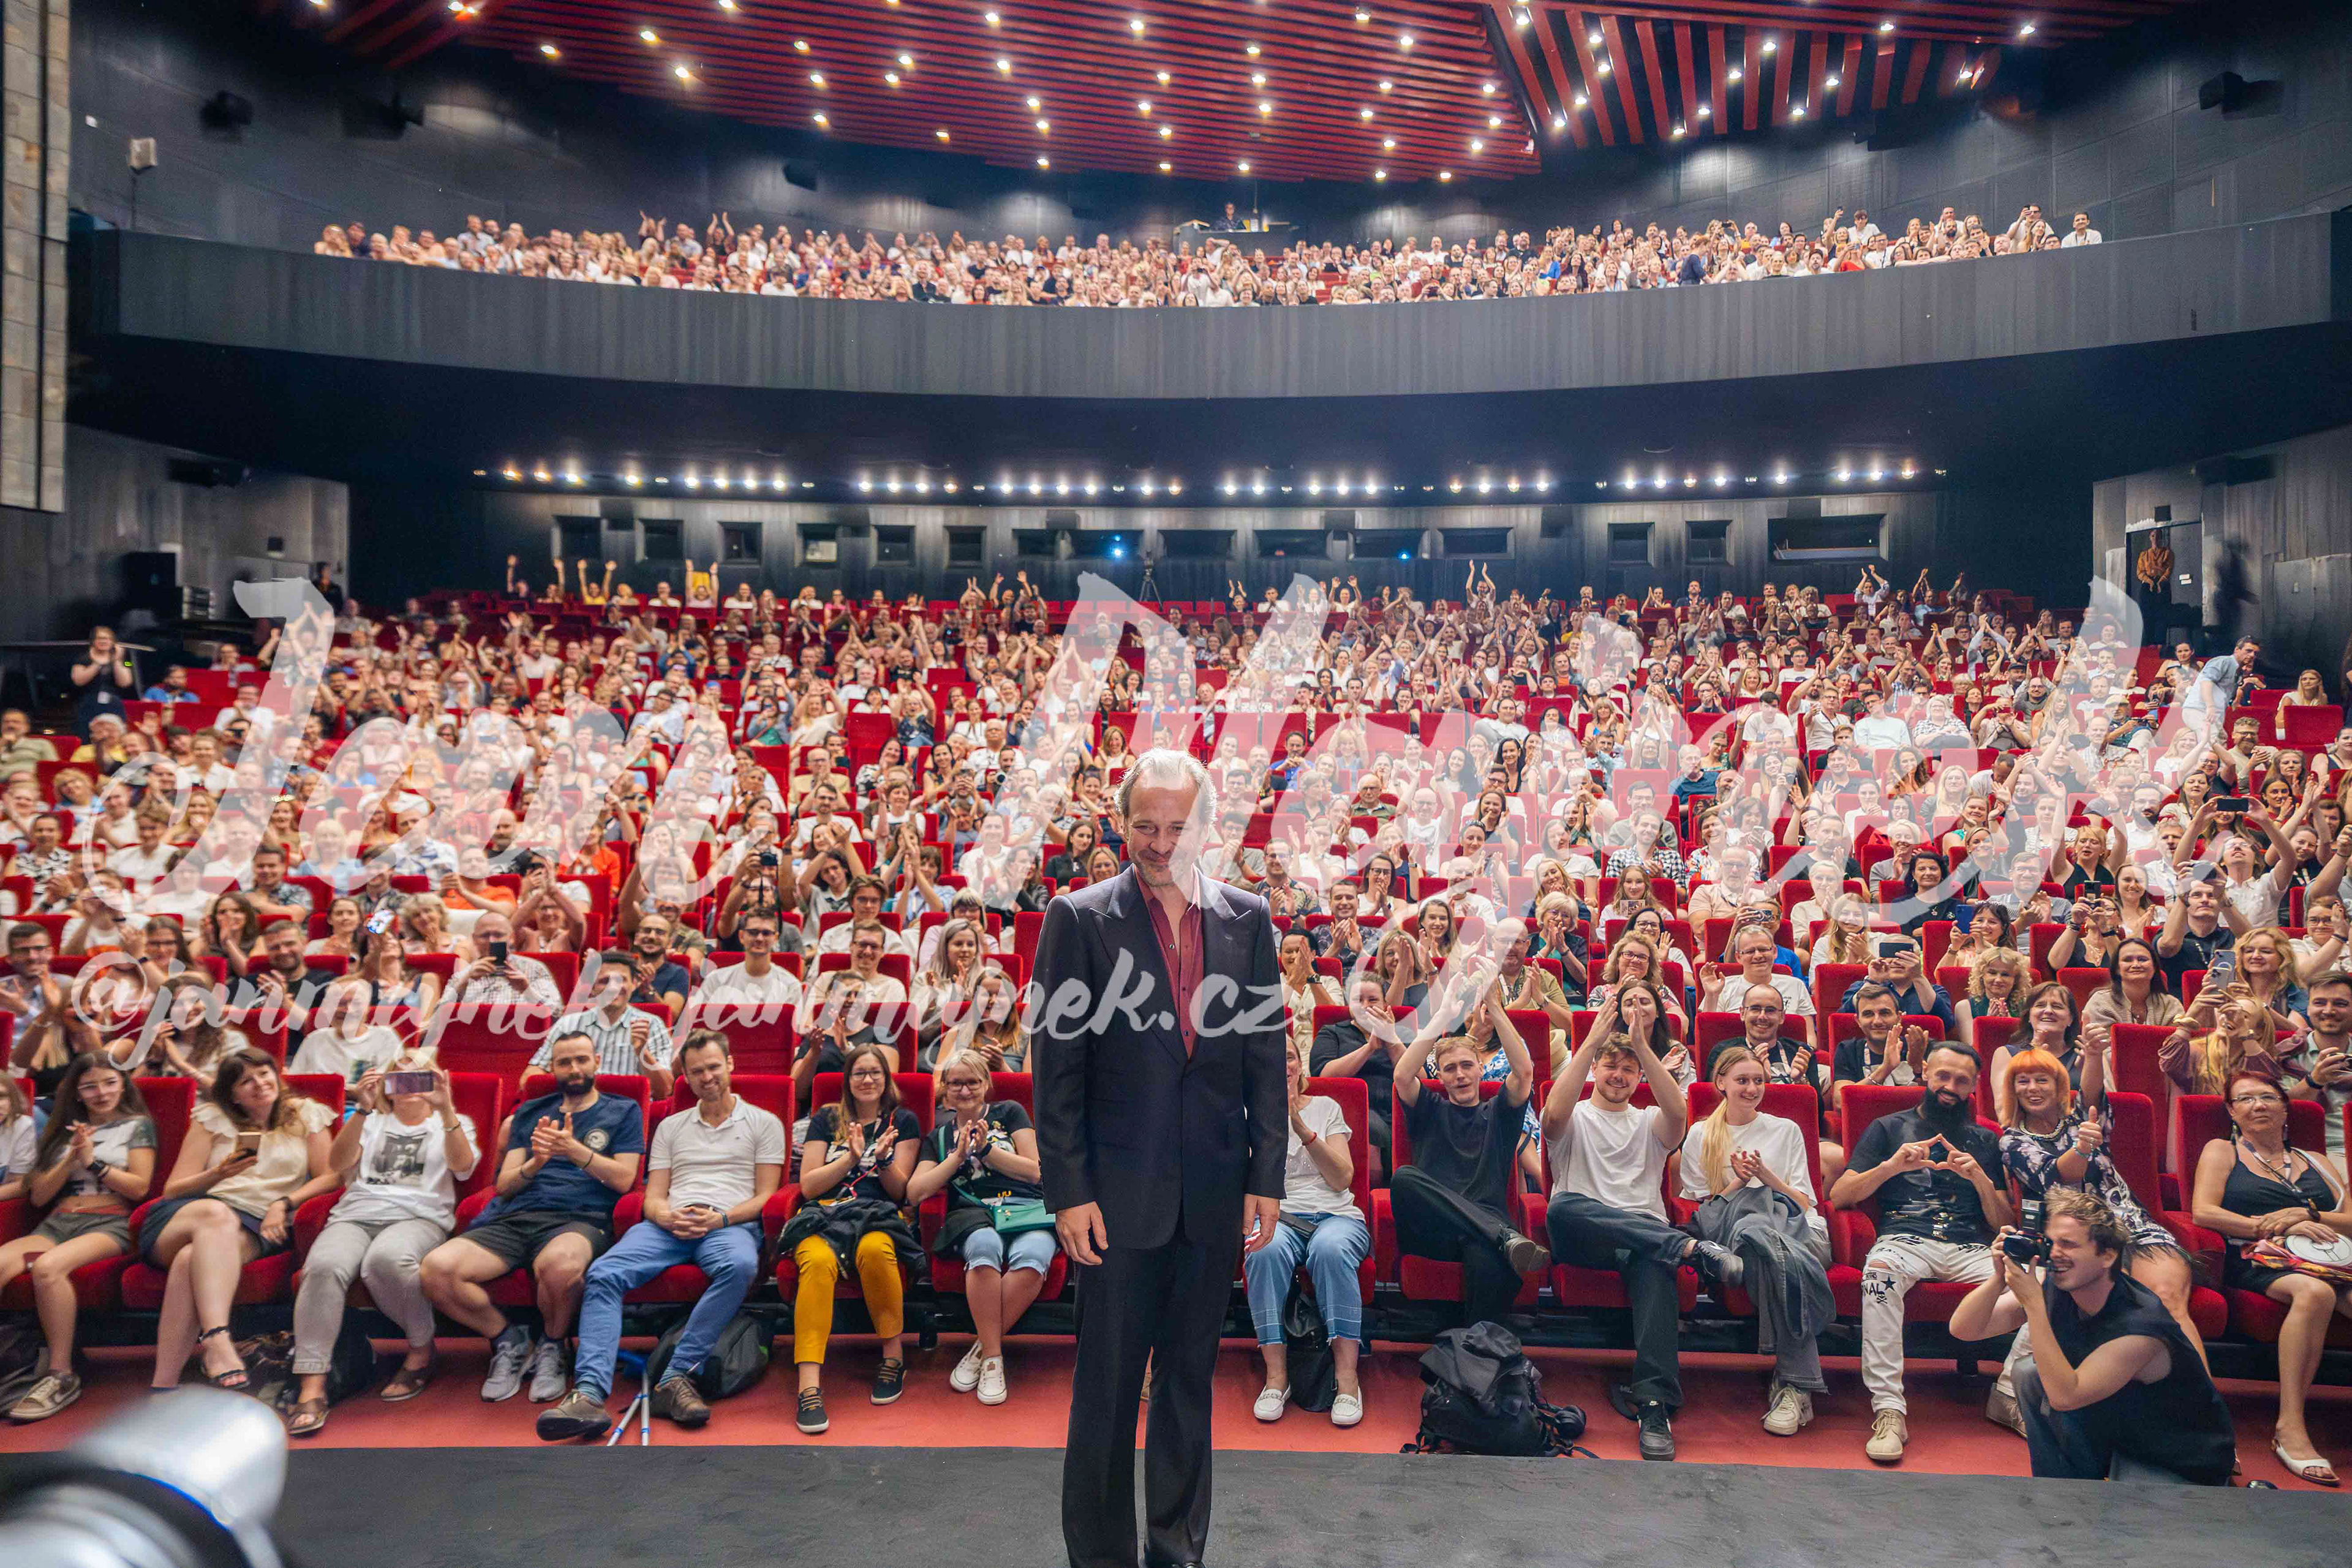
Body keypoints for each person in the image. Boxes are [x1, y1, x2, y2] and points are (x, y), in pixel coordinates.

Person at [1031, 749, 1286, 1568]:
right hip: (1113, 1203)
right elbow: (1056, 1072)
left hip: (1212, 1197)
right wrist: (1069, 1190)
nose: (1162, 843)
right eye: (1146, 826)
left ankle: (1177, 1551)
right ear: (1121, 824)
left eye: (1179, 827)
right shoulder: (1077, 918)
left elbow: (1264, 1060)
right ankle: (1100, 1557)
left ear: (1206, 826)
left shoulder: (1248, 919)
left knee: (1187, 1386)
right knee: (1106, 1394)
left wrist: (1266, 1176)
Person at [540, 1030, 784, 1439]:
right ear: (685, 1076)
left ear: (730, 1065)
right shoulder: (671, 1126)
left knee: (741, 1266)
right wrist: (665, 1217)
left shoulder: (764, 1122)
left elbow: (766, 1196)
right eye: (697, 1071)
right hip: (669, 1225)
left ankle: (675, 1376)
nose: (707, 1077)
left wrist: (720, 1219)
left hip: (727, 1224)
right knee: (603, 1273)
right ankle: (588, 1393)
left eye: (713, 1067)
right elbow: (652, 1196)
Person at [1544, 981, 1736, 1460]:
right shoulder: (1576, 1116)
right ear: (1594, 1069)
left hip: (1641, 1244)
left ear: (1640, 1077)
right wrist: (1593, 1042)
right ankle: (1687, 1248)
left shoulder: (1650, 1120)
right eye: (1611, 1066)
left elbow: (1678, 1112)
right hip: (1582, 1236)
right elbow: (1550, 1117)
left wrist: (1643, 1049)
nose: (1619, 1075)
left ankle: (1653, 1406)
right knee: (1562, 1206)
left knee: (1655, 1263)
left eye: (1628, 1069)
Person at [418, 1031, 646, 1408]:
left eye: (581, 1060)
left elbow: (624, 1180)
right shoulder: (531, 1112)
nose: (574, 1069)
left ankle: (553, 1345)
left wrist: (574, 1151)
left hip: (581, 1217)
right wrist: (536, 1163)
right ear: (552, 1068)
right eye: (564, 1062)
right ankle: (508, 1340)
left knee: (559, 1267)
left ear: (597, 1062)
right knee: (435, 1271)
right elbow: (505, 1185)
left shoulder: (623, 1110)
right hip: (515, 1216)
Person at [1948, 1191, 2233, 1483]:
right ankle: (2057, 1487)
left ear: (2107, 1255)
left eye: (2069, 1244)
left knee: (2128, 1513)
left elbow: (2065, 1397)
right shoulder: (2059, 1286)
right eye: (2051, 1243)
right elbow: (1965, 1330)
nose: (2054, 1254)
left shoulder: (2141, 1327)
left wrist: (2033, 1305)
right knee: (2029, 1374)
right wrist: (1998, 1279)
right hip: (2121, 1429)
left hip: (2176, 1457)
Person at [1831, 1042, 2011, 1463]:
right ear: (1926, 1071)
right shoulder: (1887, 1127)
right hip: (1905, 1238)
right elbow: (1840, 1196)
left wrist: (1981, 1180)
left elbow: (2004, 1220)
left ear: (1974, 1086)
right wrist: (1891, 1167)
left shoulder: (1987, 1139)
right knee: (1878, 1275)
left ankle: (2009, 1393)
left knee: (2041, 1282)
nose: (1950, 1087)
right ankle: (1889, 1409)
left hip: (1970, 1245)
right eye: (1943, 1076)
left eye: (1962, 1081)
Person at [284, 1058, 480, 1436]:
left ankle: (421, 1350)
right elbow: (338, 1164)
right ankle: (312, 1384)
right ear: (388, 1084)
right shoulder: (371, 1120)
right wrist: (362, 1108)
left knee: (386, 1260)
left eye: (418, 1075)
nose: (409, 1084)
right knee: (322, 1268)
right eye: (399, 1076)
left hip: (419, 1217)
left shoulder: (453, 1120)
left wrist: (446, 1108)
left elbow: (463, 1168)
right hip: (356, 1215)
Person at [2189, 1069, 2352, 1484]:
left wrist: (2307, 1215)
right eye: (2245, 1099)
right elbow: (2204, 1213)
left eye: (2267, 1097)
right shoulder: (2222, 1151)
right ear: (2232, 1112)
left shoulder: (2317, 1161)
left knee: (2331, 1288)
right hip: (2259, 1258)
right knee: (2315, 1293)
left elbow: (2350, 1219)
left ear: (2285, 1108)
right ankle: (2290, 1427)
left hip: (2331, 1259)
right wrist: (2276, 1226)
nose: (2257, 1105)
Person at [143, 1051, 337, 1393]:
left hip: (256, 1221)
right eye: (246, 1081)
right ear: (232, 1094)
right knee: (216, 1215)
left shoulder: (306, 1114)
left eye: (264, 1074)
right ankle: (217, 1337)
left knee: (190, 1260)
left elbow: (330, 1176)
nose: (259, 1084)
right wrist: (218, 1173)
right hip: (193, 1212)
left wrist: (284, 1203)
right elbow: (173, 1189)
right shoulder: (212, 1118)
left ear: (277, 1076)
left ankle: (163, 1383)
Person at [1679, 1045, 1833, 1436]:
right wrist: (1739, 1182)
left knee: (1762, 1243)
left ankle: (1793, 1381)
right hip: (1738, 1235)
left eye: (1758, 1081)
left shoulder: (1786, 1129)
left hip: (1798, 1231)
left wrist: (1766, 1177)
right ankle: (1794, 1386)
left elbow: (1804, 1203)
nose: (1752, 1089)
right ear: (1721, 1083)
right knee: (1753, 1228)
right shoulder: (1701, 1133)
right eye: (1742, 1081)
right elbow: (1707, 1211)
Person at [0, 1057, 156, 1422]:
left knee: (47, 1269)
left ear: (123, 1085)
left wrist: (93, 1163)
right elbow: (39, 1197)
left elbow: (139, 1188)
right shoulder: (61, 1131)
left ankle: (60, 1374)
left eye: (109, 1083)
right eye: (90, 1086)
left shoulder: (138, 1126)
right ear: (77, 1093)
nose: (101, 1092)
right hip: (57, 1223)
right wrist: (71, 1160)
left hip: (110, 1223)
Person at [778, 1041, 922, 1434]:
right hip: (825, 1214)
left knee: (875, 1250)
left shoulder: (902, 1121)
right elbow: (809, 1186)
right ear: (848, 1080)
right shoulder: (827, 1118)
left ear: (886, 1078)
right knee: (816, 1261)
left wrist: (883, 1160)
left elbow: (901, 1193)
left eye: (875, 1072)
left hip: (878, 1214)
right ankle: (809, 1385)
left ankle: (893, 1357)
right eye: (859, 1073)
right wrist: (850, 1158)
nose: (868, 1079)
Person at [1387, 977, 1550, 1322]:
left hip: (1482, 1235)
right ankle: (1501, 1235)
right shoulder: (1429, 1107)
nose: (1459, 1075)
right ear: (1441, 1077)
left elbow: (1524, 1072)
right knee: (1403, 1178)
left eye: (1466, 1065)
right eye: (1450, 1069)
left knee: (1485, 1251)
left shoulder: (1499, 1113)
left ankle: (1473, 1345)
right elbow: (1402, 1076)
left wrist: (1498, 1011)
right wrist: (1442, 1015)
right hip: (1434, 1229)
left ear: (1481, 1069)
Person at [907, 1050, 1058, 1407]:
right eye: (956, 1083)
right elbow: (914, 1192)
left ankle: (983, 1348)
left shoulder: (1010, 1113)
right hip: (974, 1213)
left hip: (1026, 1208)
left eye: (972, 1082)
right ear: (945, 1089)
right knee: (984, 1246)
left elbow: (1036, 1171)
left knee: (1035, 1254)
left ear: (986, 1084)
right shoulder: (939, 1136)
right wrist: (957, 1158)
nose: (964, 1090)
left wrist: (988, 1150)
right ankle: (993, 1360)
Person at [1239, 1036, 1370, 1428]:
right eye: (1272, 1059)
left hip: (1335, 1215)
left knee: (1330, 1250)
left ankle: (1347, 1381)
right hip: (1277, 1215)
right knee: (1262, 1249)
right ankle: (1276, 1377)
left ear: (1300, 1065)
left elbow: (1342, 1178)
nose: (1283, 1065)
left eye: (1289, 1057)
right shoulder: (1248, 1115)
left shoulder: (1326, 1107)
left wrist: (1300, 1126)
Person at [537, 951, 676, 1099]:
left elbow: (665, 1090)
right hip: (576, 1105)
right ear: (591, 987)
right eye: (605, 981)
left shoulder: (653, 1024)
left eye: (621, 980)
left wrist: (643, 1052)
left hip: (630, 1108)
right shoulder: (568, 1024)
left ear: (634, 984)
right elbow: (533, 1075)